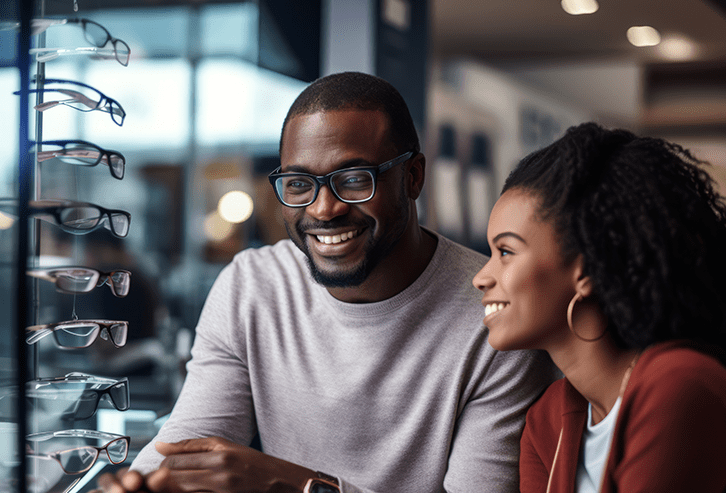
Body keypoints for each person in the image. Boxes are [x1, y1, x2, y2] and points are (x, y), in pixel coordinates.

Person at [98, 72, 556, 493]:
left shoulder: (496, 314)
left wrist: (299, 485)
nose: (323, 209)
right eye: (299, 184)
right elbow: (189, 446)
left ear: (412, 177)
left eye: (354, 180)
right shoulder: (251, 286)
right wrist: (146, 484)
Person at [472, 122, 726, 493]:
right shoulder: (547, 421)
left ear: (585, 268)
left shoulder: (679, 386)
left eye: (506, 252)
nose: (481, 276)